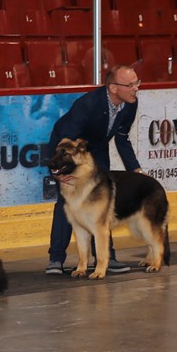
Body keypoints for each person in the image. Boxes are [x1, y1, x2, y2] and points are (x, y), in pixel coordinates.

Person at [45, 64, 144, 275]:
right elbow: (66, 141)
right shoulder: (87, 104)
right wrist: (61, 171)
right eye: (130, 84)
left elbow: (122, 138)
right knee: (68, 200)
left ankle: (106, 257)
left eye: (137, 83)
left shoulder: (130, 104)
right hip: (66, 148)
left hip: (96, 148)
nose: (136, 88)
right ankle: (56, 259)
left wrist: (135, 169)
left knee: (102, 200)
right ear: (113, 88)